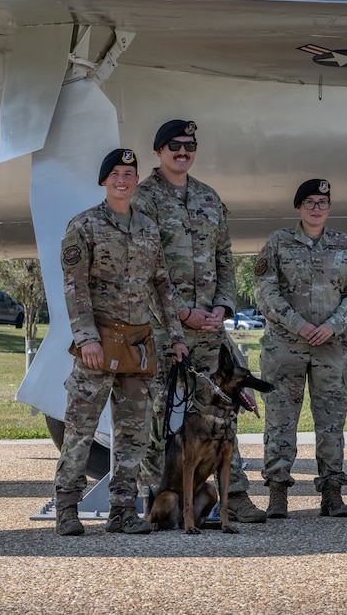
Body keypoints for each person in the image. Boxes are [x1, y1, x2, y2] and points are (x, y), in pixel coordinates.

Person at [133, 119, 265, 523]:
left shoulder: (208, 198)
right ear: (159, 151)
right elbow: (144, 267)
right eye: (174, 145)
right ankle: (154, 499)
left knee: (221, 412)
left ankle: (234, 497)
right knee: (163, 415)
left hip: (210, 330)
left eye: (189, 144)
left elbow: (225, 259)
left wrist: (223, 308)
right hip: (163, 330)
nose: (183, 151)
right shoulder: (144, 199)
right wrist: (182, 315)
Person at [55, 149, 188, 536]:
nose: (123, 179)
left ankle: (122, 511)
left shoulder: (148, 228)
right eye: (115, 173)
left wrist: (176, 338)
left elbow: (161, 286)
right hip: (98, 345)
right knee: (81, 430)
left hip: (137, 345)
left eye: (129, 173)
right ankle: (66, 509)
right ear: (104, 181)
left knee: (133, 433)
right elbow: (74, 286)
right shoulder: (84, 226)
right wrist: (86, 339)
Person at [254, 179, 347, 519]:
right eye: (310, 202)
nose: (317, 208)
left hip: (332, 348)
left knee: (331, 422)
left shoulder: (345, 245)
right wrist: (298, 324)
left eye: (323, 202)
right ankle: (277, 493)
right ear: (298, 207)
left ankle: (332, 491)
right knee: (280, 421)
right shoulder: (279, 242)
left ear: (329, 207)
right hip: (286, 347)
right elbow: (265, 290)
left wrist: (333, 324)